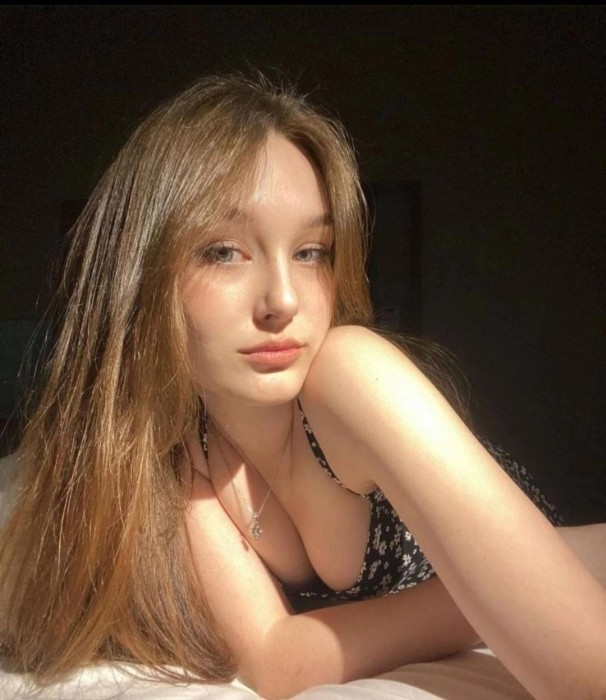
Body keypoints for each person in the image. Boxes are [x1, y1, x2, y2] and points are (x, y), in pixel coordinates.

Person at [0, 74, 604, 700]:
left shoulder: (350, 375)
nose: (283, 300)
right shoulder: (178, 452)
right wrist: (495, 589)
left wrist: (553, 568)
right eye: (223, 252)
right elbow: (275, 661)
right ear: (141, 271)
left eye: (311, 251)